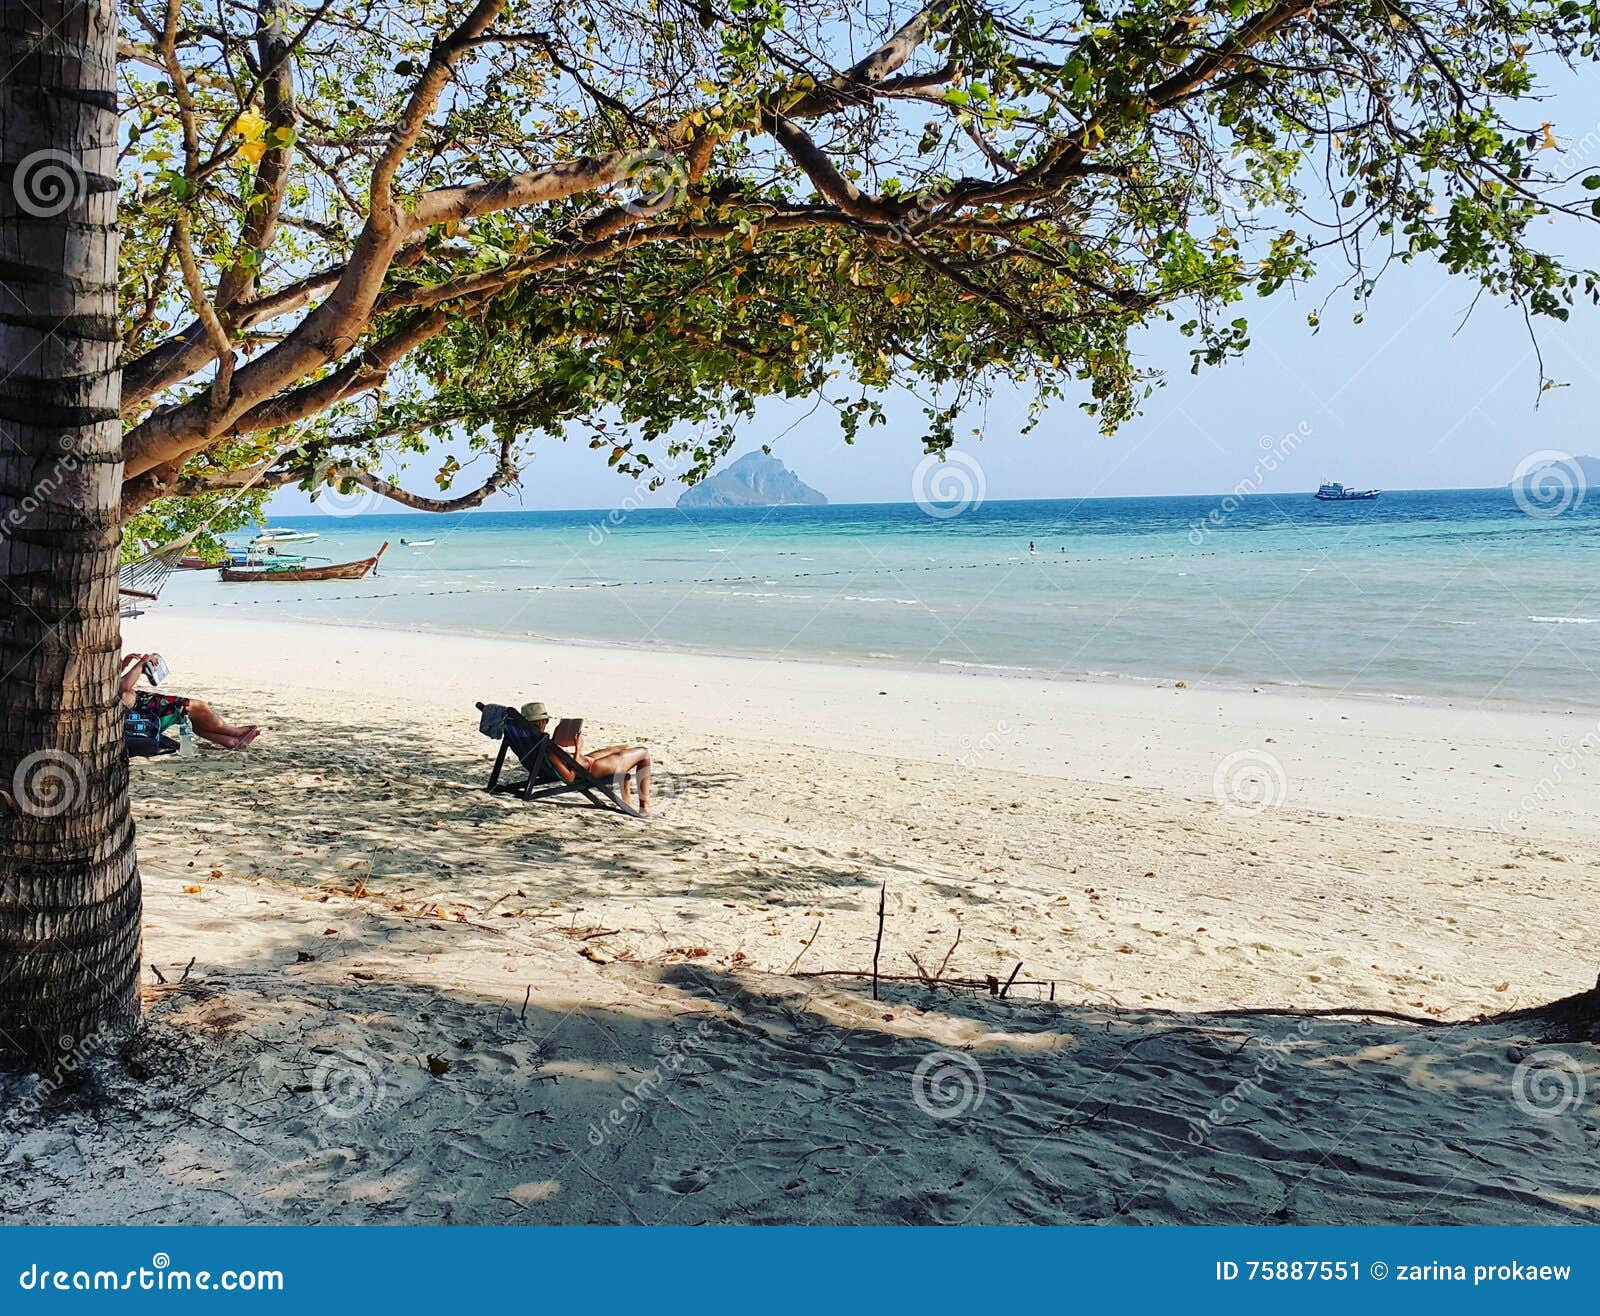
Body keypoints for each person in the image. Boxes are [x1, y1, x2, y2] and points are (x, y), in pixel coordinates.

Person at [520, 701, 654, 815]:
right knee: (644, 753)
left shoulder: (531, 741)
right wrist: (579, 748)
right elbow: (570, 778)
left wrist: (556, 740)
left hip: (584, 762)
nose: (546, 723)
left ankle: (627, 800)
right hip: (591, 768)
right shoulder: (547, 749)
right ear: (541, 723)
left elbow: (555, 760)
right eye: (546, 721)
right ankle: (644, 807)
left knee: (624, 748)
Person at [120, 653, 260, 750]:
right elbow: (123, 689)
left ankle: (232, 742)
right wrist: (141, 664)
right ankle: (234, 732)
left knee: (192, 716)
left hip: (141, 705)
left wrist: (124, 665)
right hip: (142, 714)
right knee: (198, 707)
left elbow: (111, 685)